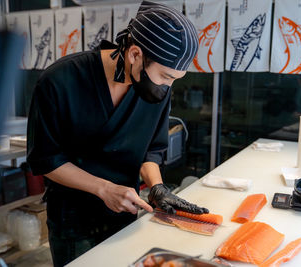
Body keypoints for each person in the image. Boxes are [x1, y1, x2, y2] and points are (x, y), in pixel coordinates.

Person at [27, 1, 208, 266]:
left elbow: (152, 150)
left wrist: (157, 186)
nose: (168, 86)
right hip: (73, 222)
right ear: (135, 54)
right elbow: (45, 159)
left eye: (174, 80)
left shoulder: (156, 90)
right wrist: (105, 189)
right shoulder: (60, 81)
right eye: (165, 76)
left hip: (125, 216)